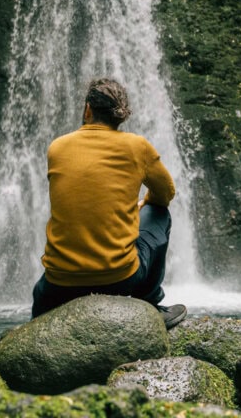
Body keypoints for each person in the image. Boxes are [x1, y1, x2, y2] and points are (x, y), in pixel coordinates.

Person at [31, 78, 187, 329]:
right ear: (121, 115)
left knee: (40, 296)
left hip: (59, 281)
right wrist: (139, 206)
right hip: (120, 278)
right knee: (159, 212)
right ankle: (151, 304)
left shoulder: (57, 147)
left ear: (88, 109)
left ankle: (34, 332)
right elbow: (166, 193)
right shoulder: (137, 147)